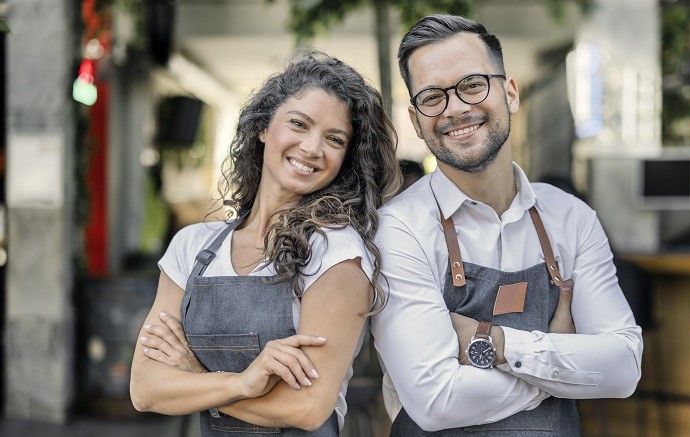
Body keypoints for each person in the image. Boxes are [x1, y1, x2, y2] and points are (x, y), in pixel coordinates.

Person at [370, 14, 643, 436]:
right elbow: (435, 400)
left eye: (472, 85)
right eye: (432, 97)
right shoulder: (397, 229)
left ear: (510, 92)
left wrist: (491, 342)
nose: (456, 109)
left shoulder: (571, 218)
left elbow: (624, 367)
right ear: (415, 120)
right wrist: (563, 374)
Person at [129, 50, 401, 436]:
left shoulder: (336, 252)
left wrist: (195, 377)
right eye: (298, 124)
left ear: (347, 158)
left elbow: (307, 406)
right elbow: (146, 389)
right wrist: (241, 383)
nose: (311, 148)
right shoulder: (192, 247)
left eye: (334, 139)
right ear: (262, 127)